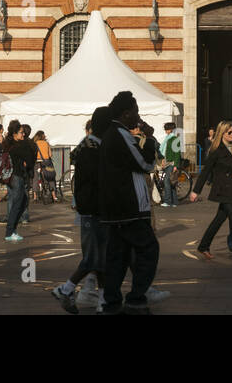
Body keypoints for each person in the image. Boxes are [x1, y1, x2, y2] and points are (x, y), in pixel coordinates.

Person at [99, 91, 161, 315]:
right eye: (136, 111)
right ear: (126, 114)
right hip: (129, 206)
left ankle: (112, 302)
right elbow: (144, 163)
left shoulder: (111, 133)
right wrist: (150, 140)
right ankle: (136, 297)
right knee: (149, 249)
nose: (138, 116)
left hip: (115, 207)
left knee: (119, 255)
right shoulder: (121, 134)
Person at [53, 108, 111, 314]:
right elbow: (97, 181)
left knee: (99, 256)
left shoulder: (88, 146)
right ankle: (67, 288)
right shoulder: (93, 148)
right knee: (94, 257)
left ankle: (102, 301)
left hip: (91, 208)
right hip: (94, 209)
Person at [190, 121, 232, 261]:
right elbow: (206, 172)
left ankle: (203, 246)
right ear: (222, 133)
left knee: (219, 219)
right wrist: (196, 191)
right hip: (222, 189)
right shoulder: (216, 150)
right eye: (229, 132)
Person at [2, 121, 37, 242]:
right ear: (15, 134)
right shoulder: (19, 146)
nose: (24, 135)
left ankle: (12, 230)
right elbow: (31, 159)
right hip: (16, 176)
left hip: (11, 176)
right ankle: (10, 231)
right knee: (18, 204)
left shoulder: (8, 144)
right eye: (21, 133)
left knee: (21, 202)